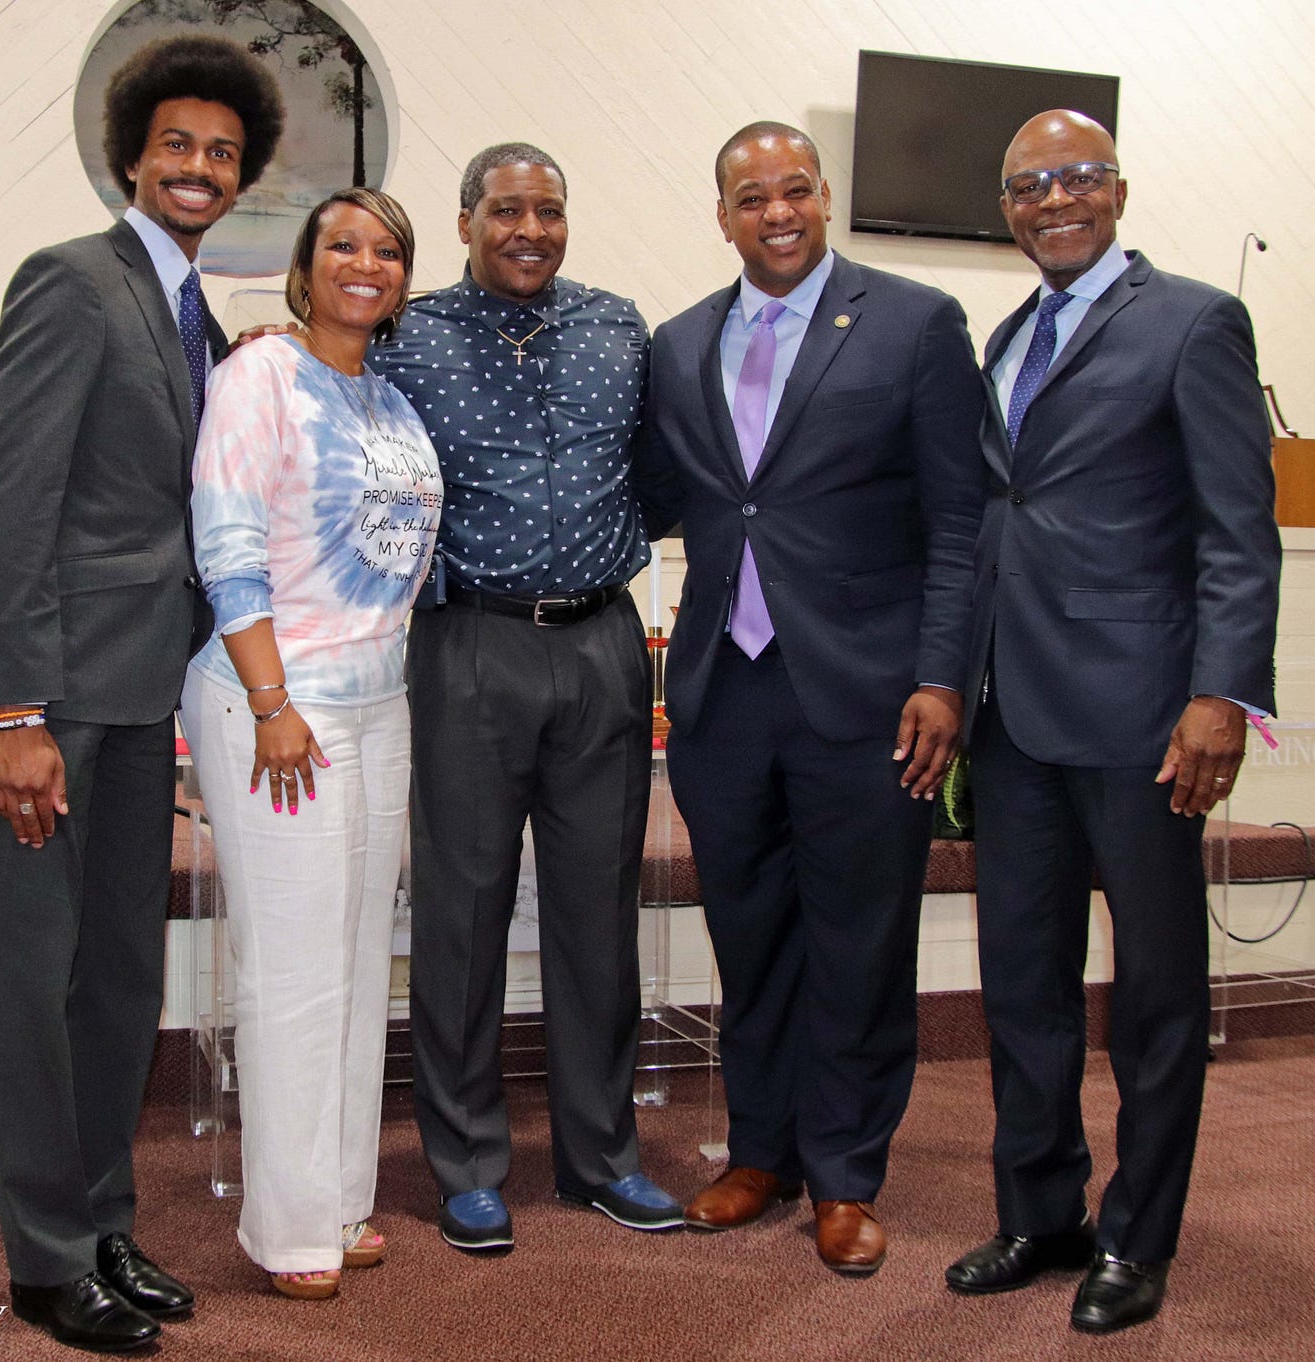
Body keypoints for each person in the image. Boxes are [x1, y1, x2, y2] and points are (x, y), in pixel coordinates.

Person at [0, 36, 283, 1352]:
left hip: (140, 701)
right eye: (178, 144)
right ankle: (42, 1256)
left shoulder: (191, 313)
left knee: (120, 981)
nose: (199, 167)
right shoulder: (71, 282)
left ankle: (103, 1220)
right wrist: (19, 713)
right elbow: (15, 506)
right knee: (35, 979)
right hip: (46, 696)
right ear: (132, 153)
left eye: (223, 153)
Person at [942, 110, 1279, 1333]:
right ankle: (1042, 1213)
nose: (1054, 200)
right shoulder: (1010, 331)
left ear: (1119, 190)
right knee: (1020, 981)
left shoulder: (1193, 320)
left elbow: (1237, 533)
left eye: (1077, 178)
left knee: (1154, 995)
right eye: (1029, 185)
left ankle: (1138, 1240)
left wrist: (1220, 697)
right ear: (1009, 206)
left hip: (1146, 719)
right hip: (1012, 716)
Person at [633, 122, 985, 1272]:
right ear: (722, 213)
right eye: (750, 196)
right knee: (749, 937)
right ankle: (759, 1151)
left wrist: (942, 677)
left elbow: (958, 521)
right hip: (722, 699)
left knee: (859, 942)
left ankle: (844, 1173)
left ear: (823, 197)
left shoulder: (915, 322)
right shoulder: (679, 341)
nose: (775, 211)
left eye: (794, 190)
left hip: (869, 695)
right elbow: (664, 497)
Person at [369, 142, 683, 1251]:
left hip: (601, 644)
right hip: (468, 648)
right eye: (507, 210)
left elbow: (657, 473)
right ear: (466, 222)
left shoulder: (617, 326)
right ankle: (464, 1163)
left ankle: (601, 1158)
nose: (531, 231)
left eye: (548, 210)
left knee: (599, 915)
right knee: (460, 915)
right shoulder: (409, 335)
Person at [181, 188, 440, 1300]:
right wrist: (274, 697)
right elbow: (227, 545)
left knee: (349, 965)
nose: (365, 263)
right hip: (272, 705)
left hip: (379, 703)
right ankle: (283, 1226)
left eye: (387, 250)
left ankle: (338, 1196)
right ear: (305, 262)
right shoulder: (258, 378)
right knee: (290, 972)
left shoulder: (386, 394)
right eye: (343, 244)